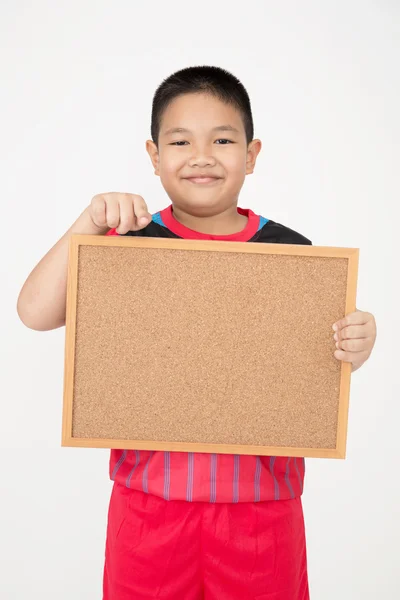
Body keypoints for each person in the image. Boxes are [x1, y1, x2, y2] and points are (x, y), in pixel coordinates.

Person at [17, 65, 377, 600]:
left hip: (262, 512)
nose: (203, 155)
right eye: (181, 140)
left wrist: (356, 343)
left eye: (224, 139)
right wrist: (88, 224)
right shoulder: (126, 243)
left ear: (252, 155)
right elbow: (34, 312)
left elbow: (314, 364)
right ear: (154, 155)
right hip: (149, 509)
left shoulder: (292, 253)